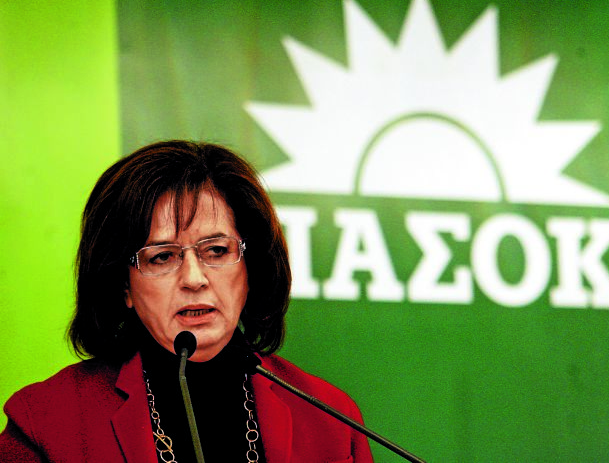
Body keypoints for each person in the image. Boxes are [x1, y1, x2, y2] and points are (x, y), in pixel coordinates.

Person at [0, 140, 374, 462]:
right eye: (162, 257)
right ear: (124, 286)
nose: (194, 278)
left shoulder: (330, 420)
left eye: (217, 250)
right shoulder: (47, 422)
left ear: (251, 268)